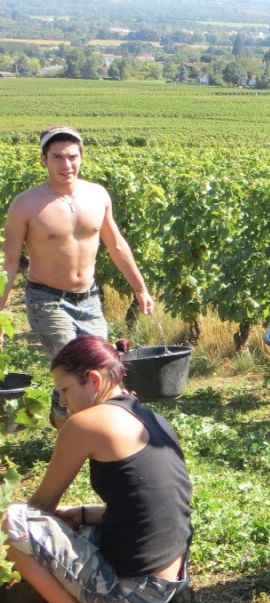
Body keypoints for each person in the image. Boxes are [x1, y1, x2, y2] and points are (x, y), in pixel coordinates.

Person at [2, 335, 193, 603]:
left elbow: (39, 506)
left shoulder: (85, 423)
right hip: (168, 582)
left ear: (93, 378)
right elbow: (147, 510)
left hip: (130, 594)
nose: (64, 402)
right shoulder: (149, 418)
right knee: (71, 526)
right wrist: (80, 513)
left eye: (64, 389)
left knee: (13, 522)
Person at [1, 126, 156, 426]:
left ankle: (75, 418)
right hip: (46, 299)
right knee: (75, 369)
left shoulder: (97, 195)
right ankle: (72, 431)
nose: (66, 164)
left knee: (101, 369)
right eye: (57, 157)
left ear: (82, 157)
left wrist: (140, 288)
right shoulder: (26, 204)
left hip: (89, 299)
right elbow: (9, 263)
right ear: (43, 160)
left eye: (72, 156)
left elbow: (117, 244)